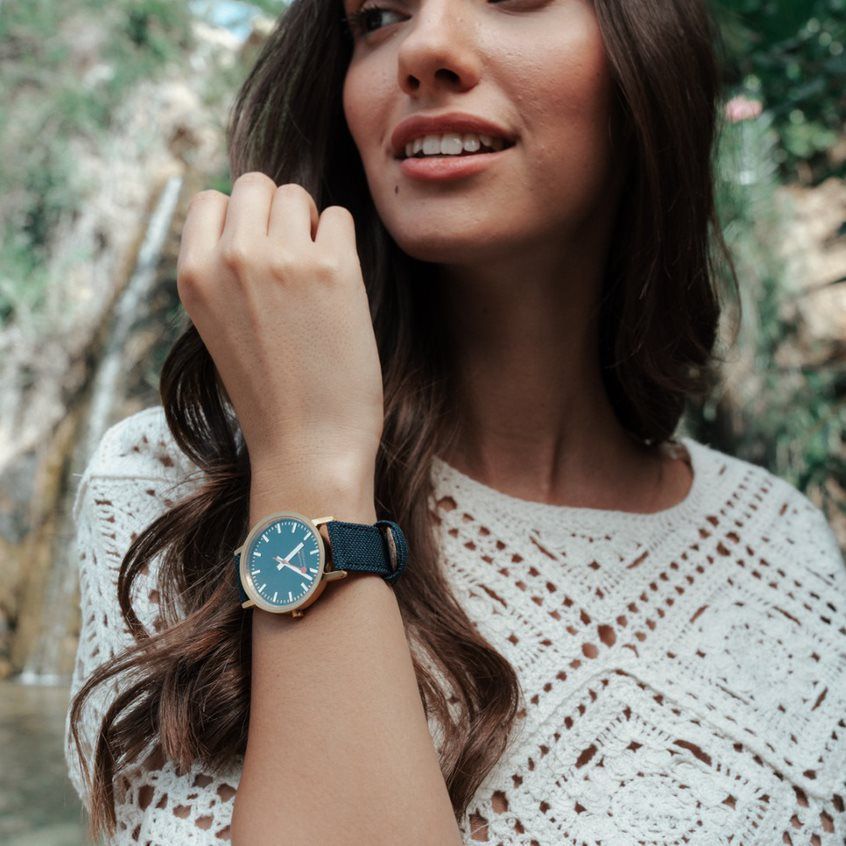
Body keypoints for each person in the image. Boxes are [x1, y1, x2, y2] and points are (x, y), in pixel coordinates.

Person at [65, 0, 846, 843]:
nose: (424, 46)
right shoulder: (169, 489)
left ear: (646, 45)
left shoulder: (781, 545)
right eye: (379, 14)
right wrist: (311, 462)